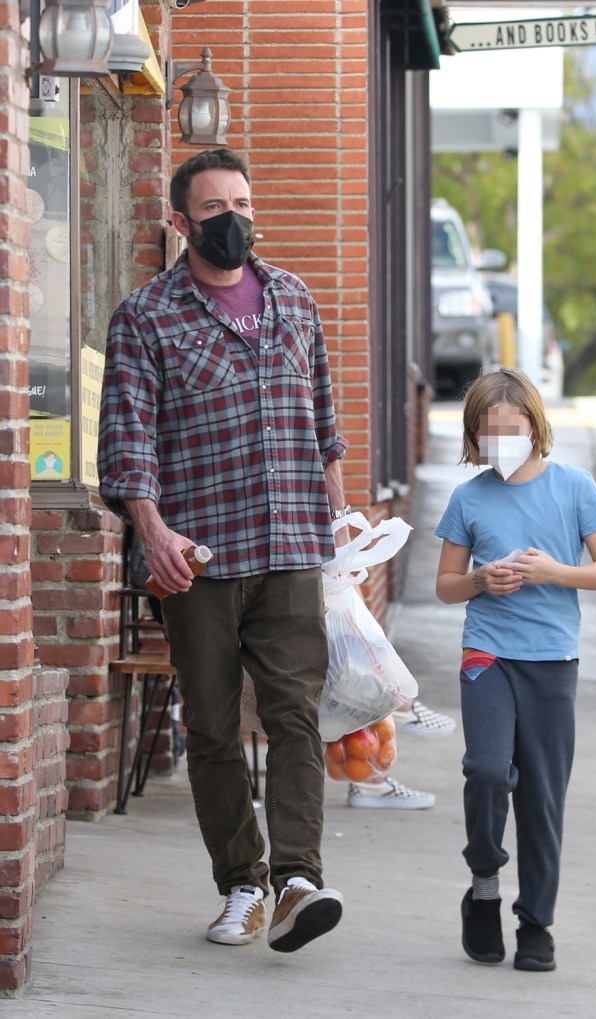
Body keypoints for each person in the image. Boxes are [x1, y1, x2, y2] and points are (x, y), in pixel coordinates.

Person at [98, 147, 350, 953]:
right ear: (180, 221)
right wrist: (153, 529)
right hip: (197, 558)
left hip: (288, 546)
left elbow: (323, 420)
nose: (232, 218)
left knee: (296, 715)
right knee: (210, 727)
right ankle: (243, 882)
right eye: (213, 208)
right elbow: (127, 441)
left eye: (241, 201)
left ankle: (300, 879)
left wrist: (340, 525)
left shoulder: (294, 297)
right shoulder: (146, 316)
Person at [434, 367, 596, 972]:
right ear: (473, 437)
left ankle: (536, 922)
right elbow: (445, 587)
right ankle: (484, 884)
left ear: (535, 426)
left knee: (542, 798)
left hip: (551, 660)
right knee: (488, 772)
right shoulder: (468, 497)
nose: (501, 442)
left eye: (511, 429)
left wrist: (556, 573)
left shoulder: (574, 487)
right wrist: (479, 581)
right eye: (487, 433)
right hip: (487, 653)